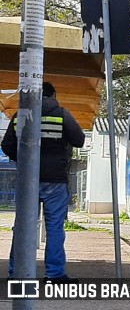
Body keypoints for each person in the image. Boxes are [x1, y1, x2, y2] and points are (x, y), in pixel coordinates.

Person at [1, 82, 85, 283]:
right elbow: (80, 140)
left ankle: (17, 273)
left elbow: (6, 145)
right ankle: (55, 274)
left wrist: (21, 159)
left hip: (27, 179)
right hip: (55, 179)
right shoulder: (62, 114)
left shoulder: (20, 115)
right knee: (55, 227)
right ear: (53, 95)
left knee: (23, 226)